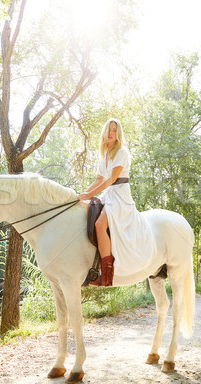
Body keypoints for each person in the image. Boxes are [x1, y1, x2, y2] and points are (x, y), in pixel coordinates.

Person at [78, 118, 155, 286]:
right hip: (109, 194)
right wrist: (84, 193)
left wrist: (90, 194)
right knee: (85, 213)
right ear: (105, 133)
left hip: (120, 195)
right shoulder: (104, 153)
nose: (111, 133)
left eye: (114, 130)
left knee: (99, 225)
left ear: (118, 134)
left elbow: (112, 179)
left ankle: (106, 275)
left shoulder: (122, 152)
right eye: (109, 130)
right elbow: (99, 179)